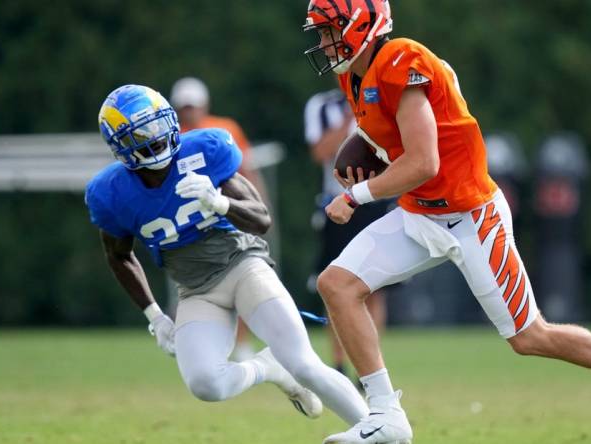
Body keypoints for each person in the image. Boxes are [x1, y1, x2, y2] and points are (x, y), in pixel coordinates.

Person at [302, 1, 591, 443]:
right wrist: (362, 147)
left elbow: (425, 161)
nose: (322, 42)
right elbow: (384, 129)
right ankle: (386, 416)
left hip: (472, 217)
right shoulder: (353, 73)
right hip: (420, 214)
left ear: (361, 26)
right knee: (337, 284)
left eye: (329, 30)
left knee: (530, 336)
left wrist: (354, 195)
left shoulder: (401, 61)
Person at [85, 84, 370, 428]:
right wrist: (155, 315)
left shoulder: (204, 150)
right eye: (142, 133)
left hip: (243, 267)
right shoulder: (111, 193)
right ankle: (267, 368)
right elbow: (119, 255)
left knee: (304, 364)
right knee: (206, 384)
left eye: (158, 125)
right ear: (120, 145)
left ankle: (380, 431)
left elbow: (261, 219)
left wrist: (221, 203)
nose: (156, 138)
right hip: (195, 290)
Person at [170, 76, 265, 361]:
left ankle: (243, 342)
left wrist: (257, 207)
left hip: (229, 212)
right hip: (193, 223)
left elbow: (246, 170)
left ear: (205, 105)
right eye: (185, 107)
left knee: (247, 280)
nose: (190, 112)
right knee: (195, 284)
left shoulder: (225, 129)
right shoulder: (172, 138)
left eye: (193, 106)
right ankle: (203, 344)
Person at [304, 87, 389, 379]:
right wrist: (348, 120)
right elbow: (319, 152)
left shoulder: (382, 94)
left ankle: (369, 369)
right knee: (335, 283)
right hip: (338, 202)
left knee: (375, 288)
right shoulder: (322, 105)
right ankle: (339, 365)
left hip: (376, 201)